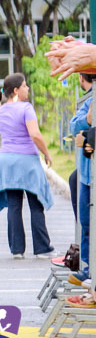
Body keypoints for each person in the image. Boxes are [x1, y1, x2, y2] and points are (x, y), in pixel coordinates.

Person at [0, 73, 56, 259]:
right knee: (35, 205)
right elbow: (34, 134)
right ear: (16, 90)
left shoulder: (0, 111)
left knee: (14, 205)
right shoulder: (26, 108)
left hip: (6, 163)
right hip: (27, 162)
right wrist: (47, 153)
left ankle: (16, 249)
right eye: (25, 86)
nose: (28, 89)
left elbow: (2, 132)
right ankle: (42, 248)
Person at [67, 74, 93, 285]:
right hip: (87, 174)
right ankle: (87, 267)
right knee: (86, 222)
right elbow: (74, 126)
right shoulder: (90, 101)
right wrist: (87, 123)